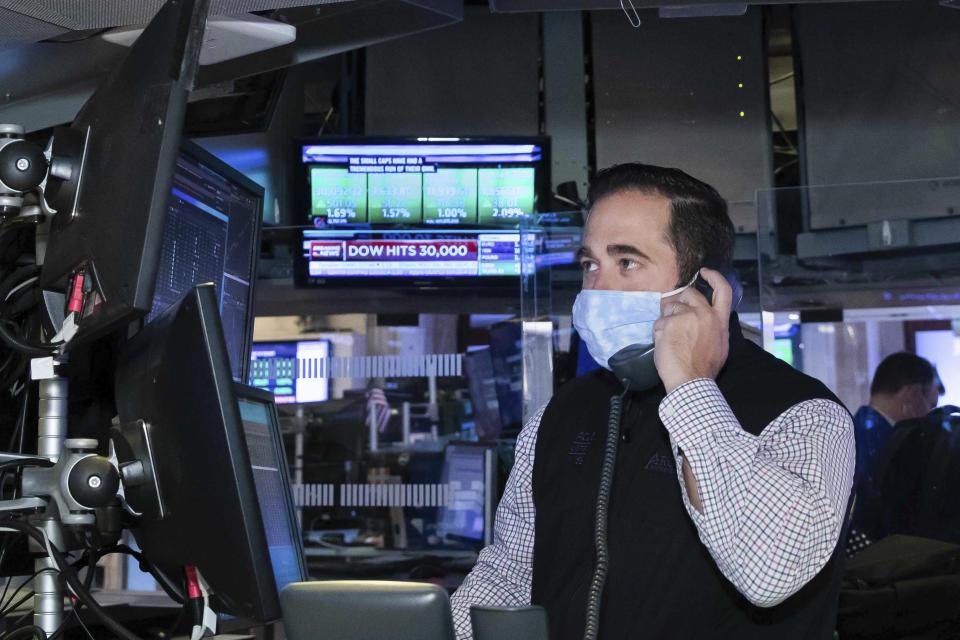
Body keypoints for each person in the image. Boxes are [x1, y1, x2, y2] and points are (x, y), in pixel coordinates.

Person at [449, 163, 856, 639]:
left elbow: (770, 570)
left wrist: (689, 385)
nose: (597, 288)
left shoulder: (806, 416)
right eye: (590, 264)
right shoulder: (559, 416)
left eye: (627, 262)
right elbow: (510, 577)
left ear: (703, 289)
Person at [847, 353, 943, 549]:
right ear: (912, 393)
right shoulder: (885, 441)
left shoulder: (858, 428)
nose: (928, 414)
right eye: (931, 405)